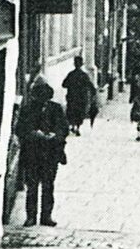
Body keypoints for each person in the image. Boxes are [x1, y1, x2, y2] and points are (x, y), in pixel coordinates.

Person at [15, 74, 69, 227]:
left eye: (44, 92)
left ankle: (46, 216)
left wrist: (55, 135)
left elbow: (63, 128)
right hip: (32, 154)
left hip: (51, 154)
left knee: (48, 187)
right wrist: (34, 134)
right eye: (39, 92)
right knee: (32, 187)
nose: (42, 96)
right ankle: (31, 216)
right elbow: (20, 129)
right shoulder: (27, 109)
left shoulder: (56, 109)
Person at [61, 56, 96, 137]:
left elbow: (64, 84)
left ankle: (73, 126)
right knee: (79, 113)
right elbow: (90, 86)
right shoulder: (84, 75)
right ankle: (77, 127)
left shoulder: (71, 74)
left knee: (71, 112)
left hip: (72, 97)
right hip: (81, 98)